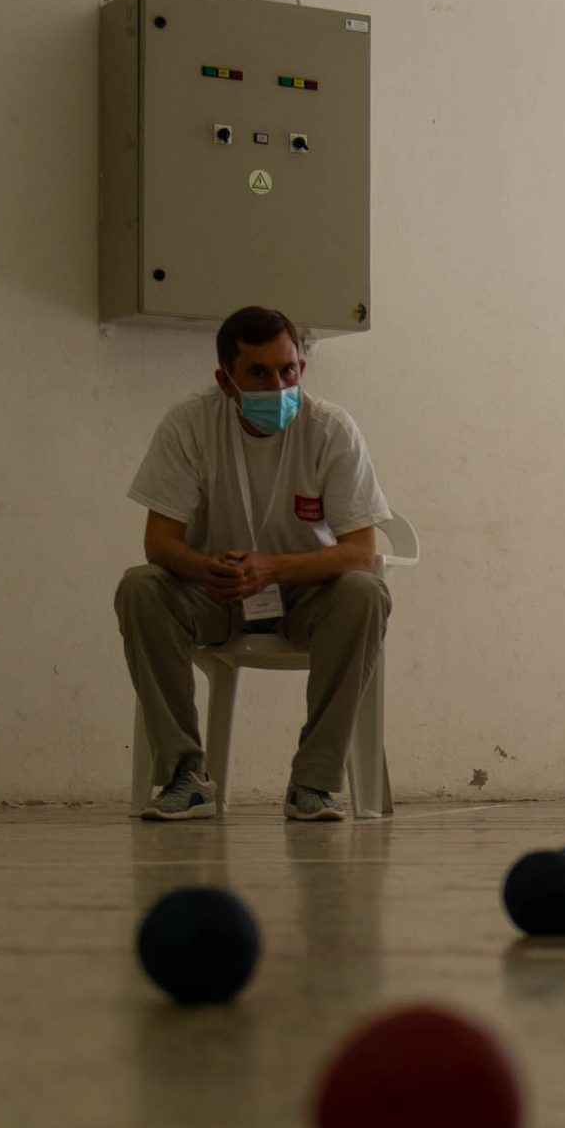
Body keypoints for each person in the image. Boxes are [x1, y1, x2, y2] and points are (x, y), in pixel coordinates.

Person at [117, 306, 392, 822]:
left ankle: (312, 784)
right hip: (214, 590)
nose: (278, 384)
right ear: (226, 381)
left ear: (302, 368)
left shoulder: (332, 429)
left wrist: (275, 569)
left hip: (305, 595)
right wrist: (202, 569)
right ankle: (185, 776)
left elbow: (360, 552)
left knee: (366, 591)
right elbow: (159, 542)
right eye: (259, 373)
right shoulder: (188, 424)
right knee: (141, 587)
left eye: (287, 369)